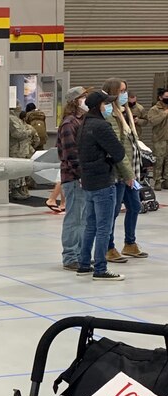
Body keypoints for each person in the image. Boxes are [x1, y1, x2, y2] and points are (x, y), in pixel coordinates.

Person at [76, 90, 128, 281]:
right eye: (107, 104)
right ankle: (100, 268)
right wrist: (107, 157)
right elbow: (119, 152)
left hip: (89, 181)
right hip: (103, 181)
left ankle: (83, 263)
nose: (109, 107)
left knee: (90, 225)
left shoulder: (84, 124)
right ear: (99, 105)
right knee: (104, 227)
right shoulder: (101, 126)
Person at [102, 78, 148, 261]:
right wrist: (127, 174)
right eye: (121, 91)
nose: (125, 95)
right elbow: (117, 148)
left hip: (132, 173)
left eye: (126, 91)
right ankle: (108, 246)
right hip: (119, 174)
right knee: (112, 212)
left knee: (135, 206)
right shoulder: (110, 116)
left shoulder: (126, 113)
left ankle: (130, 243)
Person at [57, 86, 88, 270]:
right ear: (75, 101)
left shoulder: (81, 121)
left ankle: (79, 253)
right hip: (74, 178)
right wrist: (81, 174)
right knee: (74, 219)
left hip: (81, 178)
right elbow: (71, 153)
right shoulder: (69, 123)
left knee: (82, 219)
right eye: (84, 97)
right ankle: (70, 256)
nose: (87, 99)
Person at [9, 103, 40, 201]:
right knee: (16, 171)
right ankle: (15, 190)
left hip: (22, 149)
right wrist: (29, 132)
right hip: (15, 149)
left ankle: (20, 189)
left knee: (21, 171)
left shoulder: (17, 119)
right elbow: (18, 133)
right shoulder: (11, 119)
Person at [147, 86, 168, 190]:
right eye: (166, 96)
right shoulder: (154, 109)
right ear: (160, 97)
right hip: (159, 139)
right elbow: (152, 121)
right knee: (159, 161)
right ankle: (157, 181)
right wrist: (164, 113)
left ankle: (166, 180)